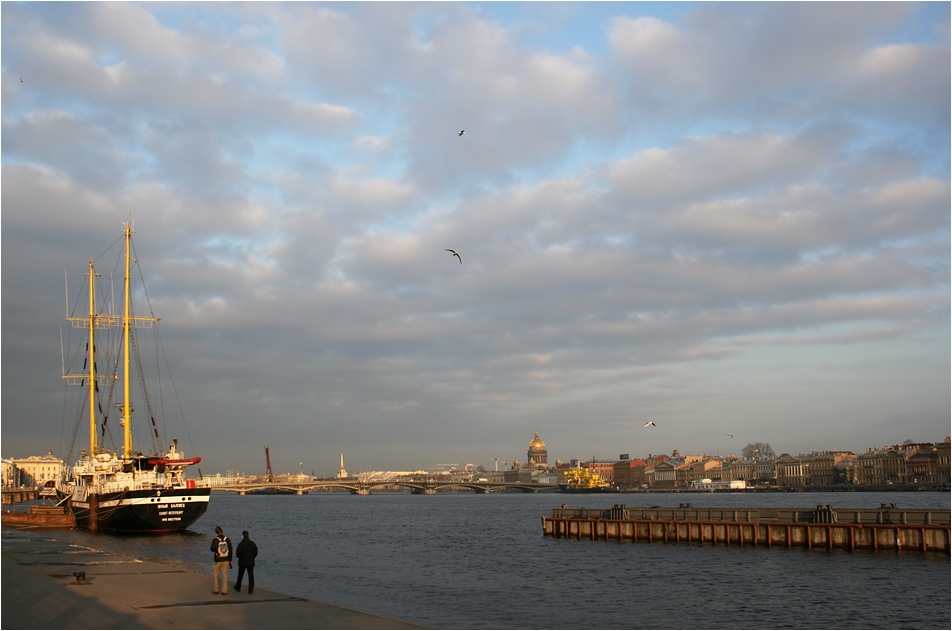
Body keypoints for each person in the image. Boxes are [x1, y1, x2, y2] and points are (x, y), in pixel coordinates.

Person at [210, 525, 232, 595]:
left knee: (216, 574)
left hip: (217, 559)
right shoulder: (227, 539)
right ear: (222, 531)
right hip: (226, 559)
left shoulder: (215, 540)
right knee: (225, 575)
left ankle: (216, 589)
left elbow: (212, 549)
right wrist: (230, 560)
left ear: (216, 533)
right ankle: (224, 590)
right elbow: (230, 550)